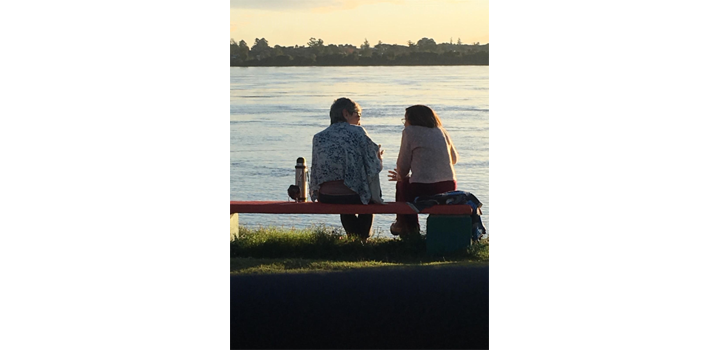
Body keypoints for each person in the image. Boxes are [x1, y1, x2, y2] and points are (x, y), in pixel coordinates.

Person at [310, 97, 384, 240]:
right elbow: (373, 166)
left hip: (326, 196)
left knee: (344, 186)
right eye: (357, 116)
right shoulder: (358, 132)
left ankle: (355, 238)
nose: (359, 121)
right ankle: (362, 238)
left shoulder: (318, 137)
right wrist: (379, 157)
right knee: (364, 191)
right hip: (353, 195)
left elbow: (316, 169)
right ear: (346, 114)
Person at [388, 105, 458, 236]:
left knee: (402, 185)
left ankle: (408, 228)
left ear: (411, 119)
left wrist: (400, 176)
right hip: (449, 185)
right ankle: (404, 225)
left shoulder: (409, 132)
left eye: (405, 120)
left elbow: (403, 166)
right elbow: (454, 159)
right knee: (406, 183)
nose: (404, 124)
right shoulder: (441, 131)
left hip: (424, 187)